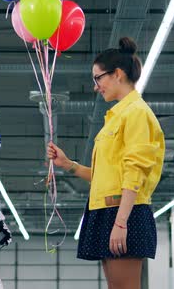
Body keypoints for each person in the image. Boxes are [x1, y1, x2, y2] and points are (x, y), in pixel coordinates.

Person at [47, 37, 165, 289]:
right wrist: (69, 165)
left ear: (118, 74)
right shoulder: (117, 116)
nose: (95, 86)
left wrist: (121, 222)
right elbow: (108, 175)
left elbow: (134, 172)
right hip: (109, 209)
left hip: (123, 211)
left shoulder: (136, 113)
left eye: (98, 78)